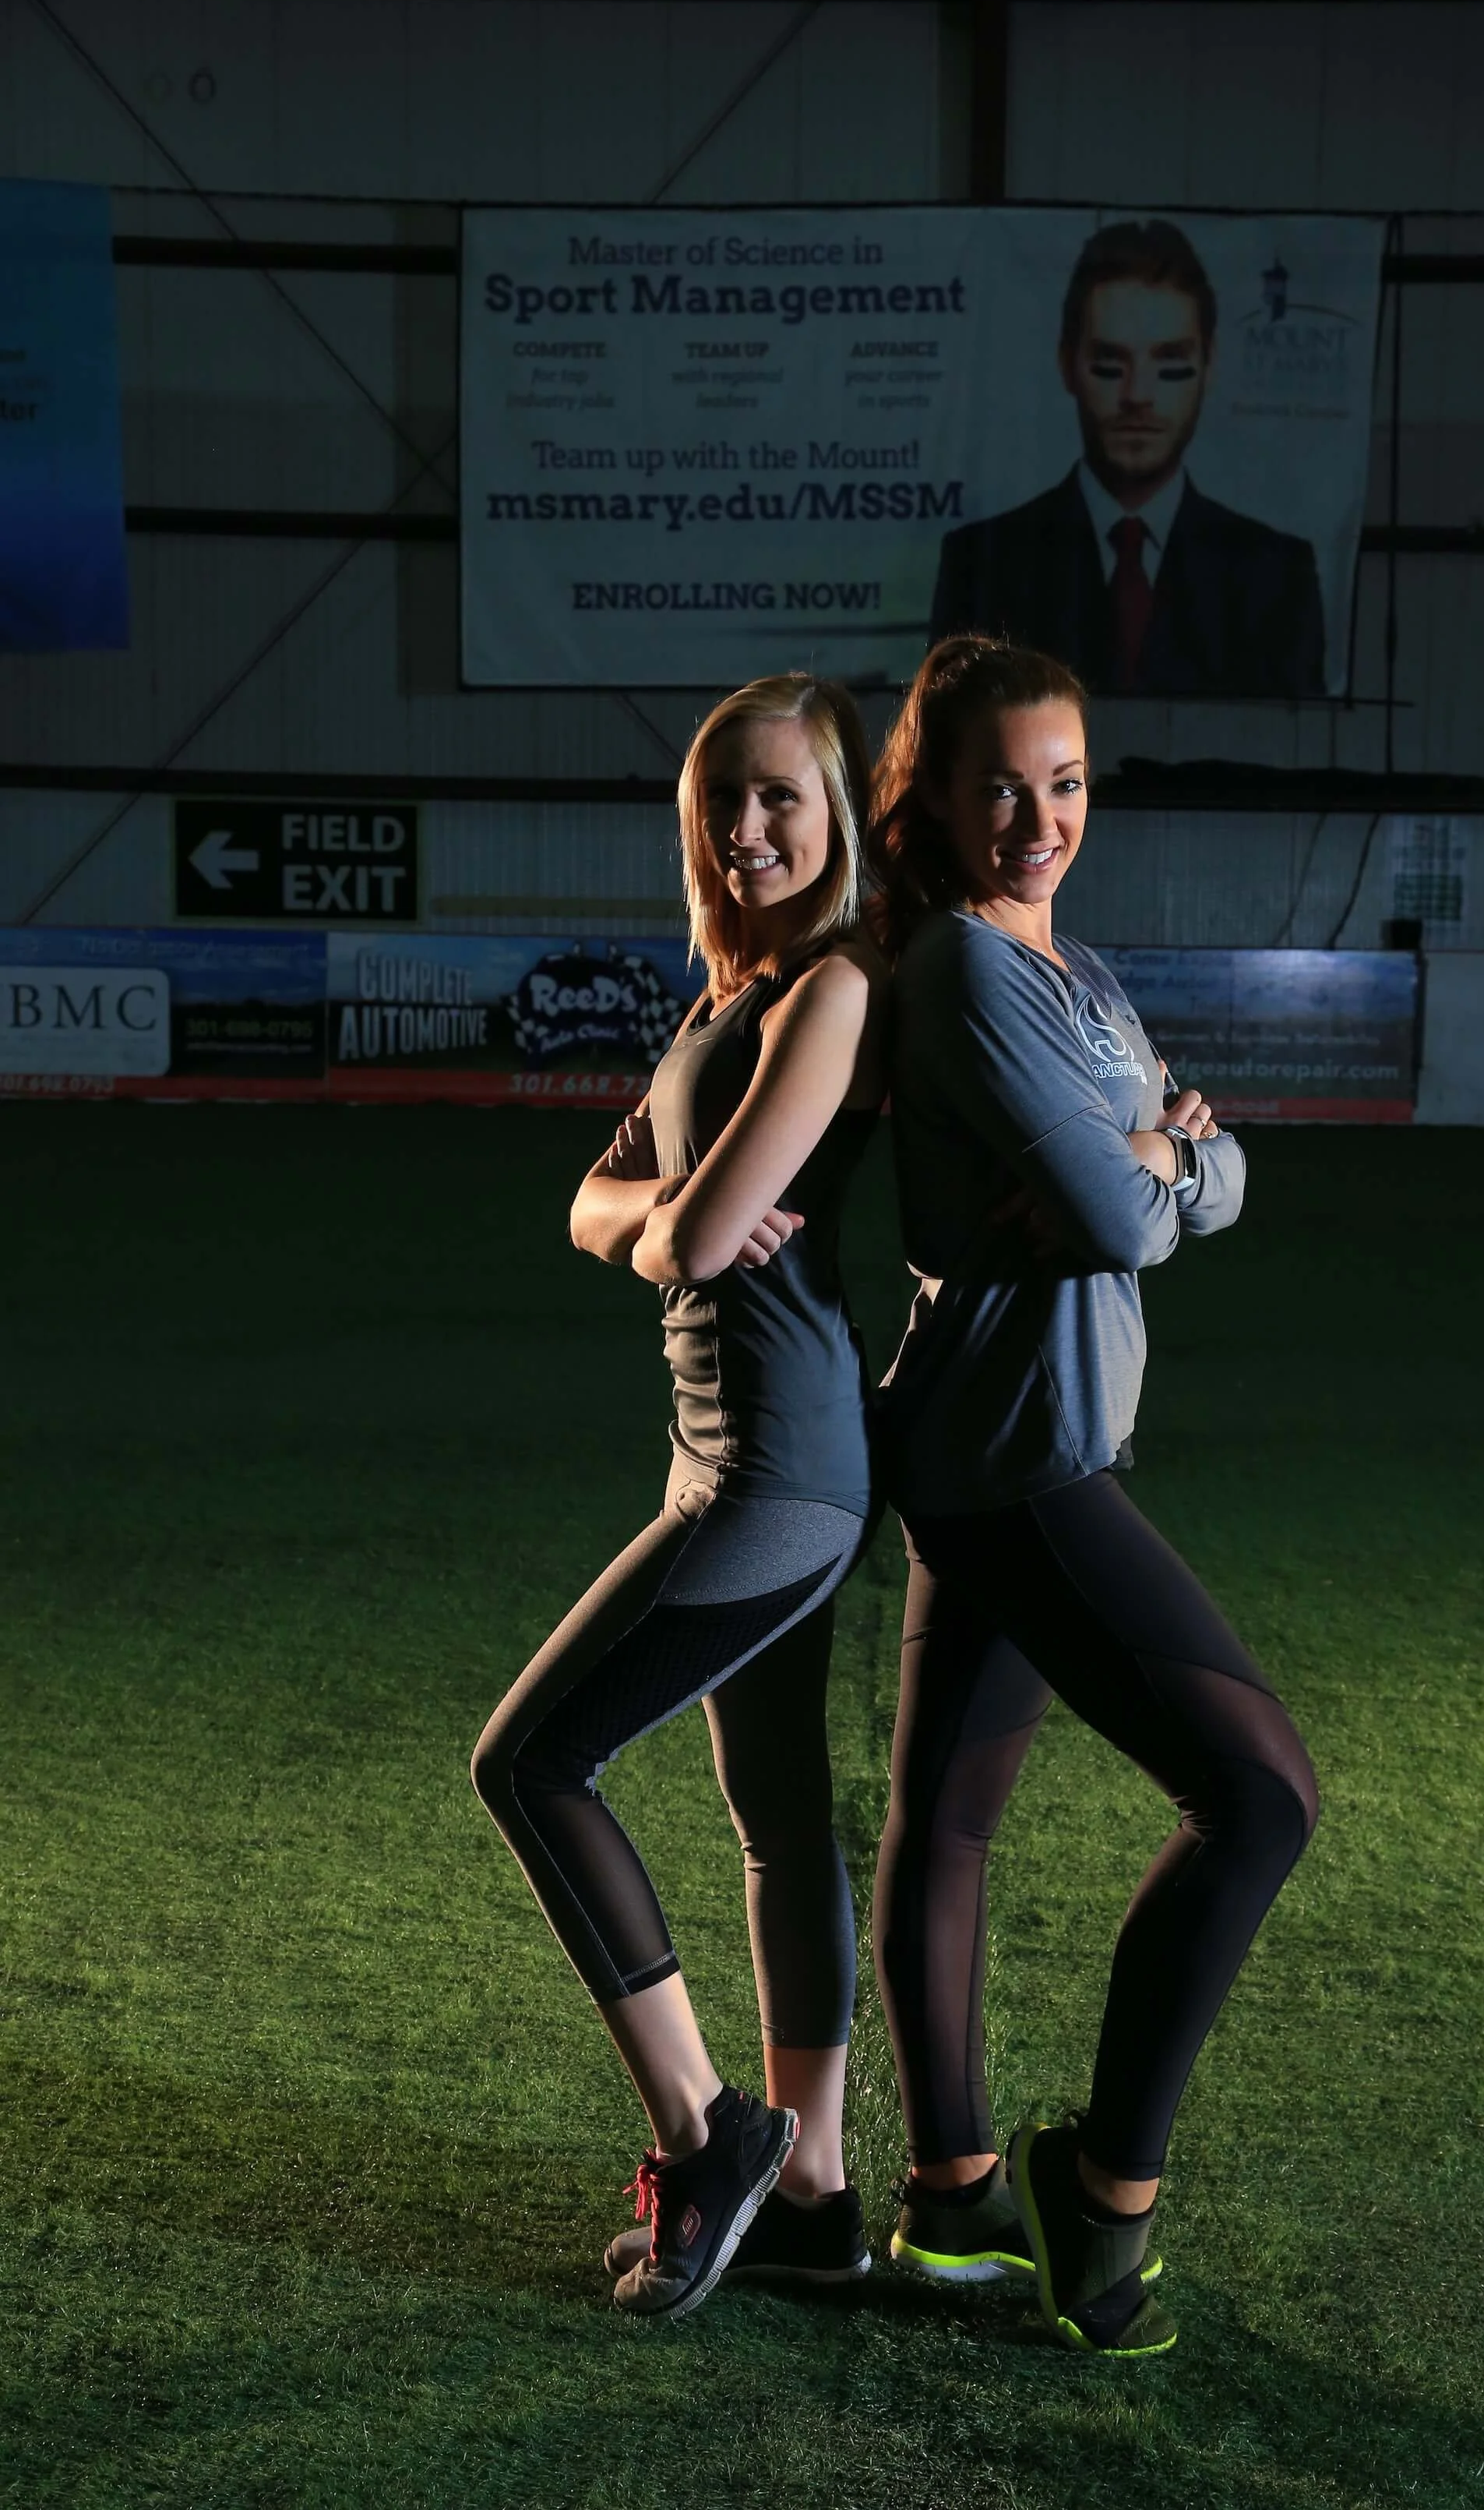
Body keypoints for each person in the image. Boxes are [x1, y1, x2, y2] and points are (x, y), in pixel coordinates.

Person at [866, 636, 1319, 2357]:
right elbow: (1136, 1216)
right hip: (1017, 1457)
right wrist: (1156, 1159)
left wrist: (1163, 1155)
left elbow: (1216, 1178)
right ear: (937, 795)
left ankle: (953, 2204)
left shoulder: (1085, 975)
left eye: (1064, 783)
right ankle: (1100, 2198)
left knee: (947, 1825)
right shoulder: (967, 970)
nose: (1039, 817)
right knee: (1258, 1798)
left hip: (1020, 1445)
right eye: (1002, 785)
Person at [471, 673, 890, 2320]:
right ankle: (816, 2201)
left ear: (837, 815)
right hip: (718, 1455)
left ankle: (709, 2132)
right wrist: (662, 1220)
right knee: (775, 1817)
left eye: (782, 797)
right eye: (725, 802)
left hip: (782, 1477)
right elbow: (601, 1207)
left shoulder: (832, 989)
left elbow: (699, 1238)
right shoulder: (726, 1001)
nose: (749, 828)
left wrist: (668, 1223)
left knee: (531, 1760)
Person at [929, 220, 1325, 697]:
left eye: (1170, 366)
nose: (1138, 395)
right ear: (1067, 363)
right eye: (1109, 365)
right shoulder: (982, 566)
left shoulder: (1277, 576)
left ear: (1209, 366)